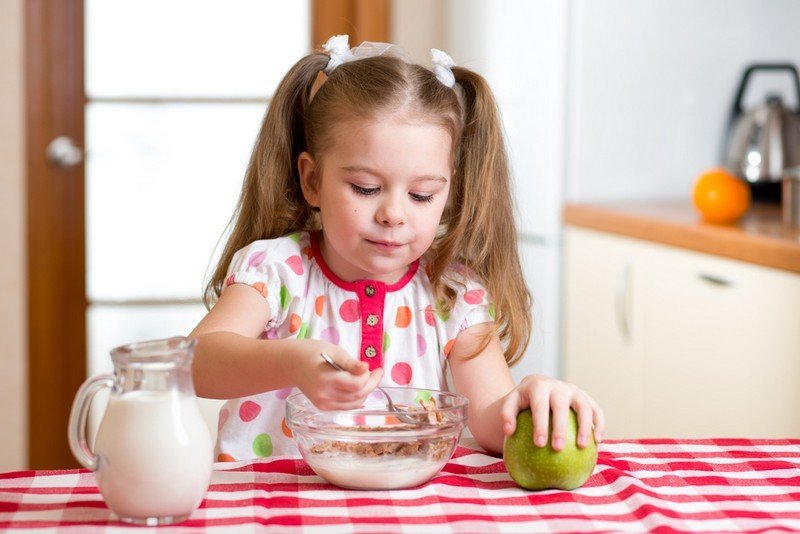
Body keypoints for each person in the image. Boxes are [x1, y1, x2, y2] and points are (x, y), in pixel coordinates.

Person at [189, 35, 604, 461]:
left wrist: (533, 399)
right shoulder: (277, 271)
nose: (393, 214)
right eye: (366, 188)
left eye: (421, 195)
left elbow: (491, 418)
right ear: (312, 180)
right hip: (274, 508)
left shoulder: (454, 294)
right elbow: (195, 365)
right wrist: (290, 361)